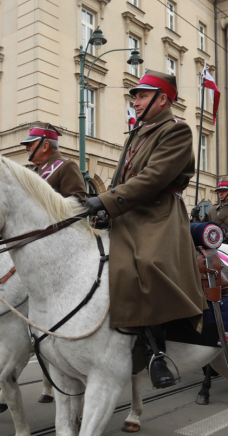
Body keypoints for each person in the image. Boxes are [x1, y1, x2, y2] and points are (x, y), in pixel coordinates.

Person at [84, 70, 205, 388]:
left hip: (158, 214)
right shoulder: (137, 133)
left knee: (148, 263)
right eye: (134, 96)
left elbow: (154, 178)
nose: (134, 102)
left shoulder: (177, 131)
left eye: (141, 95)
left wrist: (106, 201)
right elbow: (120, 179)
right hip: (128, 213)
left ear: (162, 98)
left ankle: (156, 353)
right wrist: (105, 210)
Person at [22, 123, 87, 200]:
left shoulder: (66, 166)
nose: (26, 148)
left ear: (45, 146)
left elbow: (77, 204)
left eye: (30, 144)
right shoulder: (29, 169)